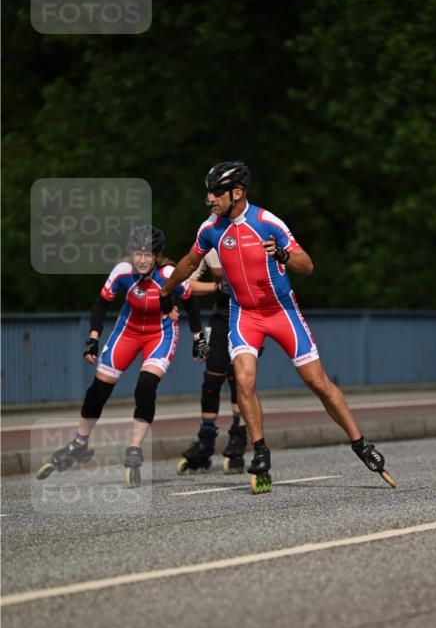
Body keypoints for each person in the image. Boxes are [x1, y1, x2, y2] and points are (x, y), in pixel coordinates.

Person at [160, 160, 396, 493]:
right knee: (243, 379)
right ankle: (260, 452)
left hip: (281, 311)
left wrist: (283, 254)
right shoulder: (210, 228)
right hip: (244, 314)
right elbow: (188, 262)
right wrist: (164, 292)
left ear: (237, 192)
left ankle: (360, 442)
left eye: (216, 193)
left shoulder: (266, 221)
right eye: (208, 193)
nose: (210, 199)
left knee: (317, 382)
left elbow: (308, 265)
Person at [36, 225, 208, 487]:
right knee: (98, 390)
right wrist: (93, 338)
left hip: (159, 334)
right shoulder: (122, 272)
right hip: (127, 331)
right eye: (137, 253)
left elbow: (190, 303)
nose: (141, 259)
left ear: (157, 256)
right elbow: (101, 303)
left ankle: (135, 447)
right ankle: (80, 442)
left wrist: (198, 339)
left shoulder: (170, 274)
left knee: (146, 386)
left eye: (147, 254)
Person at [175, 201, 249, 475]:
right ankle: (206, 440)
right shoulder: (207, 234)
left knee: (238, 377)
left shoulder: (248, 227)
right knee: (212, 378)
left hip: (250, 314)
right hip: (222, 312)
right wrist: (217, 285)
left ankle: (238, 439)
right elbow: (186, 282)